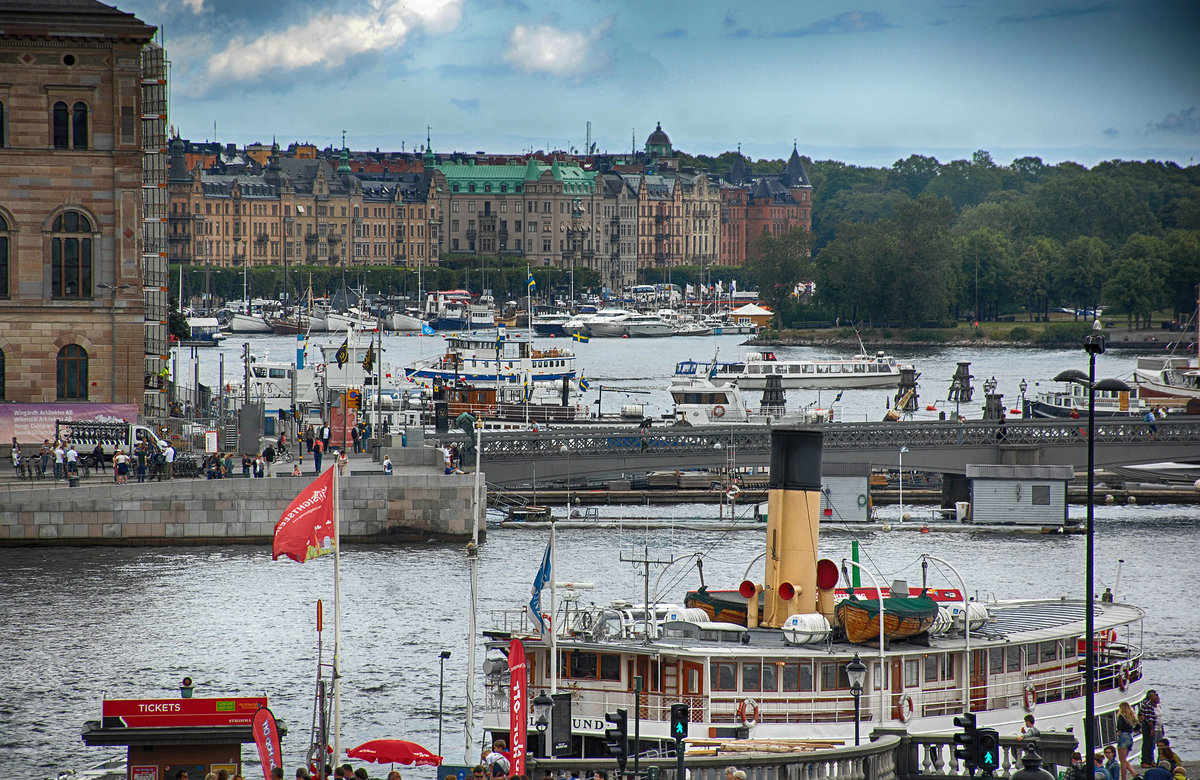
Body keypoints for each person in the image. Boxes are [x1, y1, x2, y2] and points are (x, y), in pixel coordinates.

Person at [1117, 701, 1139, 780]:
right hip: (1130, 737)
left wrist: (1118, 731)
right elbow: (1138, 726)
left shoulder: (1121, 716)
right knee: (1124, 760)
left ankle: (1124, 778)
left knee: (1122, 761)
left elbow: (1119, 726)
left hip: (1123, 737)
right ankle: (1134, 774)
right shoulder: (1132, 716)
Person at [1139, 690, 1160, 767]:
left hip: (1150, 724)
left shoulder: (1150, 704)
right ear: (1151, 696)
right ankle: (1145, 761)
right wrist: (1152, 729)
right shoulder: (1147, 704)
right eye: (1155, 695)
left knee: (1151, 743)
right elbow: (1149, 718)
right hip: (1148, 725)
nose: (1157, 696)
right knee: (1147, 743)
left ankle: (1150, 760)